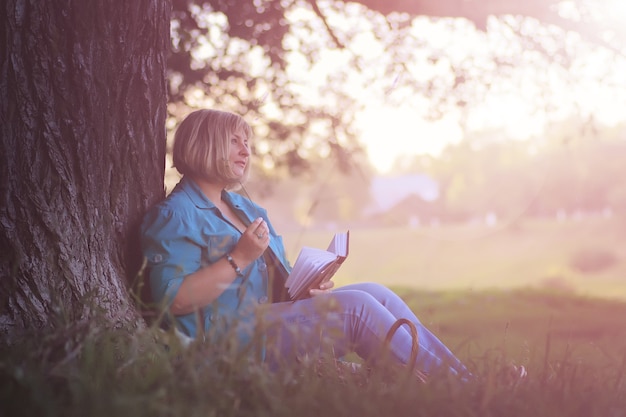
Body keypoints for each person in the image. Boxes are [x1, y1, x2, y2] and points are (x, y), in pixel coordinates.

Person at [140, 108, 472, 381]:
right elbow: (174, 301)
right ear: (203, 144)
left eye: (247, 142)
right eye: (233, 141)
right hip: (229, 344)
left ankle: (464, 380)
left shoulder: (247, 209)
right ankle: (459, 388)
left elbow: (269, 289)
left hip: (267, 322)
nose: (246, 150)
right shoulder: (176, 215)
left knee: (375, 292)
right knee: (356, 306)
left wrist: (307, 288)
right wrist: (239, 258)